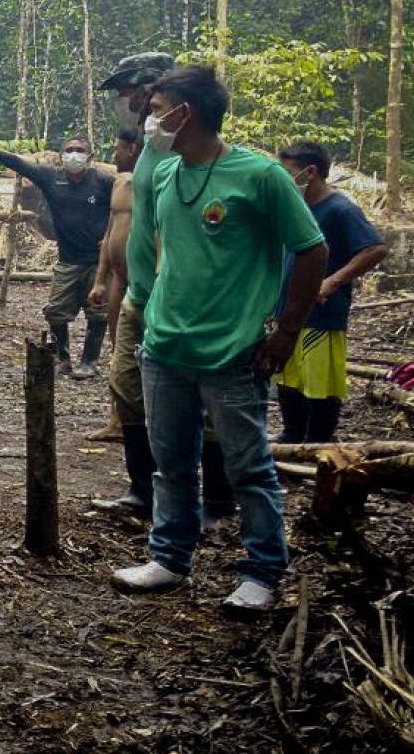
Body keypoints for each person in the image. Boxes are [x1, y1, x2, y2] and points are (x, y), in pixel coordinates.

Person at [111, 66, 326, 614]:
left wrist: (286, 331)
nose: (148, 119)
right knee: (171, 463)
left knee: (247, 467)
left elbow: (311, 249)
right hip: (164, 348)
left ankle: (262, 571)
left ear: (185, 114)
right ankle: (169, 557)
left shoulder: (260, 176)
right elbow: (168, 245)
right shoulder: (166, 173)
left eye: (156, 109)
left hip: (232, 352)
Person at [92, 52, 236, 527]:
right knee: (127, 387)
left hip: (177, 300)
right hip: (140, 294)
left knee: (205, 402)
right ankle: (142, 490)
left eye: (135, 93)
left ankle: (218, 501)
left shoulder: (192, 155)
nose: (130, 102)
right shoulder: (150, 150)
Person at [0, 134, 113, 379]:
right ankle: (62, 358)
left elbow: (124, 205)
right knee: (55, 311)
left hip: (98, 262)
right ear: (61, 155)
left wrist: (112, 235)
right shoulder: (51, 177)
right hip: (67, 260)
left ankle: (89, 361)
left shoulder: (104, 181)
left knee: (97, 312)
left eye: (79, 150)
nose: (74, 155)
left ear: (90, 157)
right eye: (69, 150)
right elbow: (16, 162)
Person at [274, 142, 388, 445]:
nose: (283, 180)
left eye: (287, 172)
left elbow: (375, 248)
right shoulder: (294, 207)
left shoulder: (341, 209)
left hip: (323, 314)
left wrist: (332, 281)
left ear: (310, 172)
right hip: (289, 309)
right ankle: (292, 436)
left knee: (320, 381)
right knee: (288, 375)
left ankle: (319, 442)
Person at [84, 127, 142, 441]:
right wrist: (99, 280)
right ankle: (117, 420)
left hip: (145, 280)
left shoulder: (155, 183)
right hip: (119, 277)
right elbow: (109, 235)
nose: (114, 154)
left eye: (118, 148)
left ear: (133, 149)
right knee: (119, 348)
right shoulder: (119, 184)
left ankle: (147, 420)